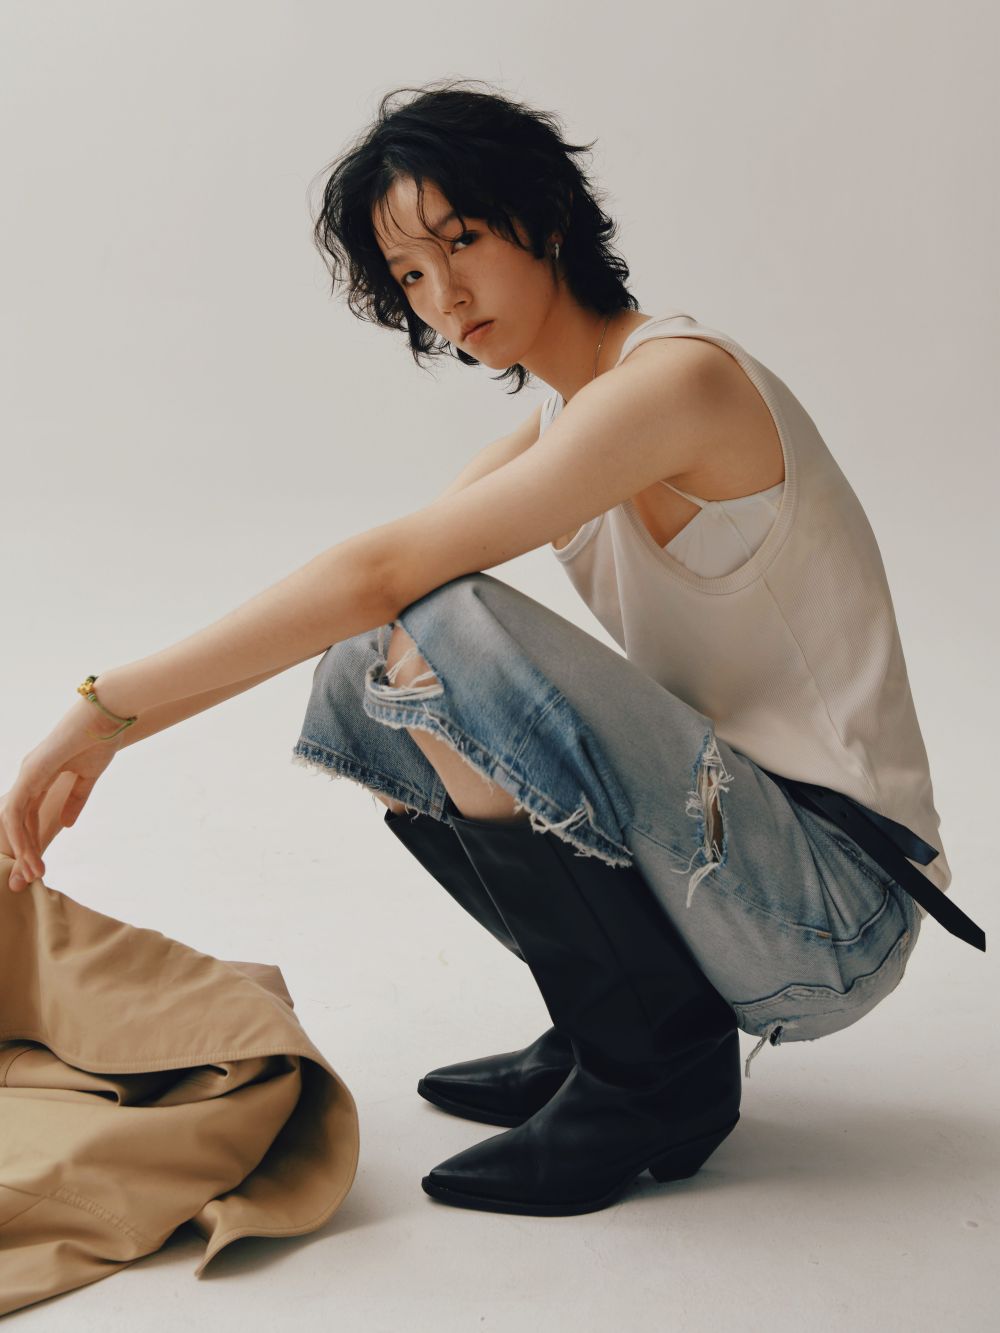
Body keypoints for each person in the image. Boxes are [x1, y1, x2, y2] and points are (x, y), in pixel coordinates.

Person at [0, 78, 979, 1220]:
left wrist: (106, 709)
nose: (445, 295)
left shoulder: (680, 382)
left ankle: (651, 1072)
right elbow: (362, 600)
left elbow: (387, 573)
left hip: (837, 905)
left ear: (546, 218)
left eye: (461, 240)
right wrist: (115, 727)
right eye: (410, 274)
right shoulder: (570, 418)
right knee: (370, 665)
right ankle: (616, 1015)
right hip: (739, 875)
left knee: (434, 627)